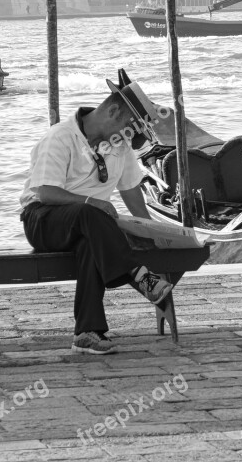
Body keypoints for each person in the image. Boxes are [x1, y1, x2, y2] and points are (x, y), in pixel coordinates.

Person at [20, 79, 173, 355]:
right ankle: (138, 276)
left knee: (91, 242)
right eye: (128, 129)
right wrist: (91, 202)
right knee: (91, 213)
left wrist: (155, 232)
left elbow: (131, 193)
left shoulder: (121, 145)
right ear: (113, 112)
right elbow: (45, 193)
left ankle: (87, 333)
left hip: (90, 226)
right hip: (43, 220)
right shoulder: (60, 136)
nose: (128, 138)